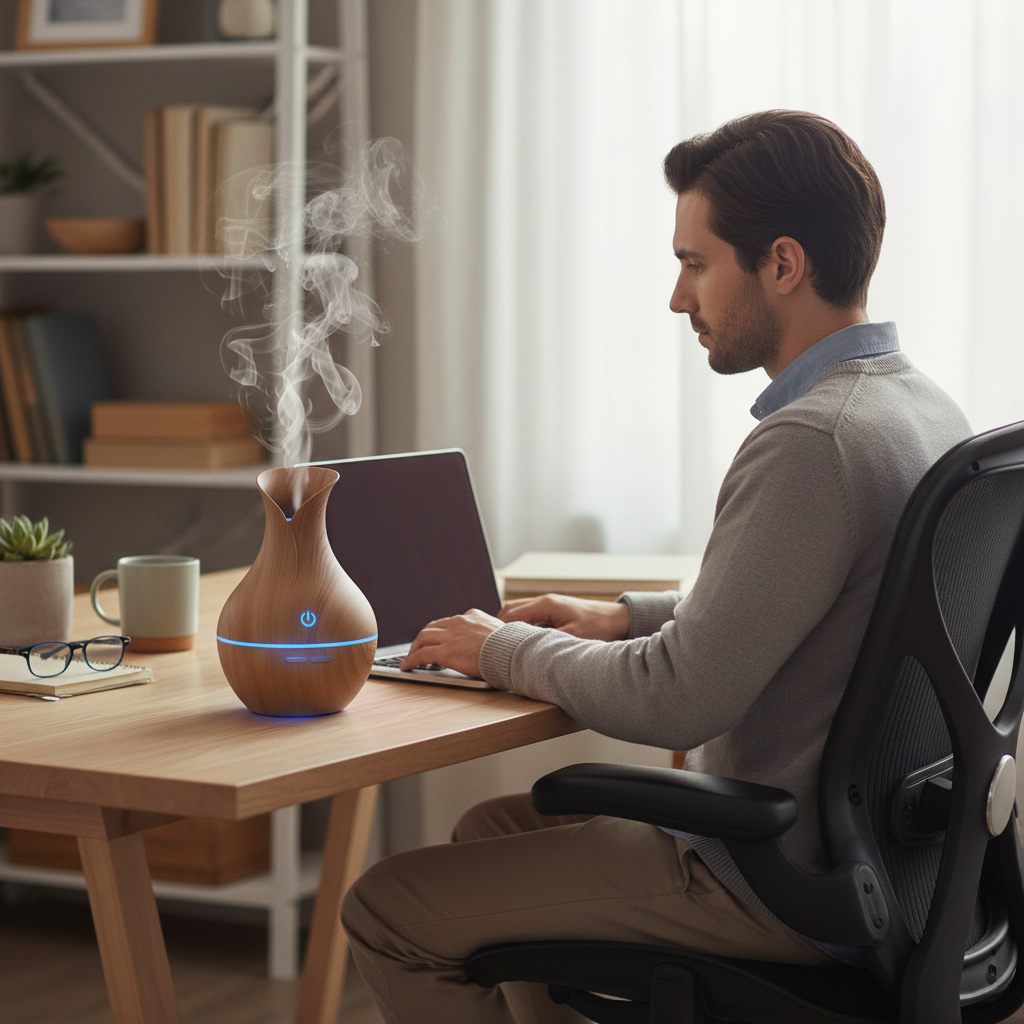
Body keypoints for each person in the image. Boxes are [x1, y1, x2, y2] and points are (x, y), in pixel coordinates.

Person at [341, 110, 972, 1024]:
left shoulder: (812, 441)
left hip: (772, 878)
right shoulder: (918, 411)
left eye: (694, 263)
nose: (680, 298)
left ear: (783, 265)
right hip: (888, 865)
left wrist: (501, 648)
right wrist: (625, 617)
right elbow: (819, 600)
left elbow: (681, 702)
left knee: (388, 909)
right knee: (490, 828)